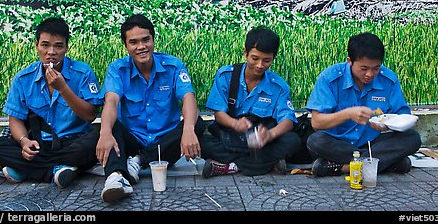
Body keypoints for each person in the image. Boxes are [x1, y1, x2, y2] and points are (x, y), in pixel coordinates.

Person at [0, 17, 103, 188]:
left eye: (58, 46)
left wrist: (63, 89)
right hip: (37, 144)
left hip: (71, 143)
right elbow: (15, 119)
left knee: (96, 141)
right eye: (45, 45)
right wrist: (24, 142)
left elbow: (90, 116)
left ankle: (25, 170)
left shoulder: (82, 73)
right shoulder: (23, 78)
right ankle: (56, 170)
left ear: (67, 47)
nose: (51, 52)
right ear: (37, 45)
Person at [96, 14, 205, 203]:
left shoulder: (173, 66)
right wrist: (104, 132)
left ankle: (138, 161)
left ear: (153, 39)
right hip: (133, 138)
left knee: (198, 123)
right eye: (134, 42)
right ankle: (116, 177)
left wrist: (188, 130)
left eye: (146, 39)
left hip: (164, 142)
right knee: (109, 126)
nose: (141, 47)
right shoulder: (117, 69)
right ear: (126, 45)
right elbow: (111, 101)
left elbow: (188, 97)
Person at [305, 32, 421, 177]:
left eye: (376, 68)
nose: (370, 74)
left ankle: (343, 167)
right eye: (364, 68)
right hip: (338, 142)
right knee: (315, 141)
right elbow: (316, 123)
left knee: (412, 138)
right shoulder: (330, 78)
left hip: (372, 142)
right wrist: (347, 114)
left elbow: (403, 116)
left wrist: (388, 124)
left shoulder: (388, 79)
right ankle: (386, 163)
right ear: (350, 61)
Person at [199, 26, 301, 177]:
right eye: (255, 58)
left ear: (274, 58)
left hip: (261, 142)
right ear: (245, 53)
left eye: (266, 60)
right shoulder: (226, 75)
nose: (260, 65)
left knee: (293, 141)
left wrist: (270, 135)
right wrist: (235, 124)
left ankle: (231, 166)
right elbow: (219, 114)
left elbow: (287, 120)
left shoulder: (278, 86)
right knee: (202, 143)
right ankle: (267, 164)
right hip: (232, 136)